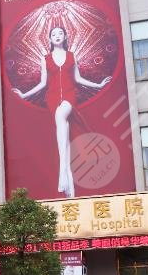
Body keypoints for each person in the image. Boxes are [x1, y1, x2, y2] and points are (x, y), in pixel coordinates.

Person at [12, 26, 111, 197]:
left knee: (60, 116)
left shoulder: (72, 56)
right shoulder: (45, 58)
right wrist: (24, 94)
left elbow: (78, 78)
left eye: (60, 33)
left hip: (69, 95)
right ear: (49, 39)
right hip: (52, 98)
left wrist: (98, 85)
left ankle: (62, 171)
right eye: (53, 34)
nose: (57, 36)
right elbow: (42, 83)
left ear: (65, 37)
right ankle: (69, 185)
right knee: (64, 136)